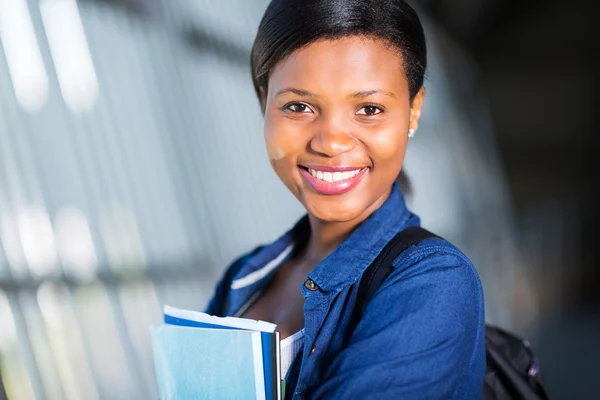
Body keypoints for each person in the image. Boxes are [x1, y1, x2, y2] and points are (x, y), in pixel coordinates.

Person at [205, 0, 486, 398]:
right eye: (298, 106)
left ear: (413, 111)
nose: (331, 142)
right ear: (263, 100)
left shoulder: (435, 283)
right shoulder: (244, 277)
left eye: (369, 109)